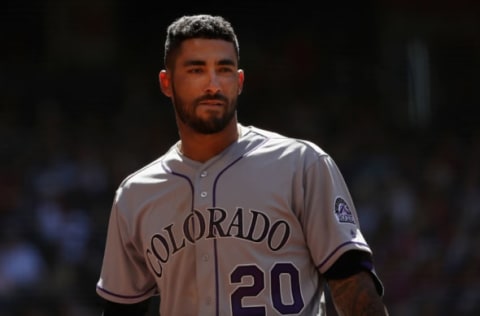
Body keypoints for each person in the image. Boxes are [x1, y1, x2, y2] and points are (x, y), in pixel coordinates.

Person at [96, 14, 389, 316]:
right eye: (196, 69)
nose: (212, 84)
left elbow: (352, 284)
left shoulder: (300, 165)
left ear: (239, 82)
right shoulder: (136, 194)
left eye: (223, 69)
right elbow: (121, 309)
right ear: (167, 82)